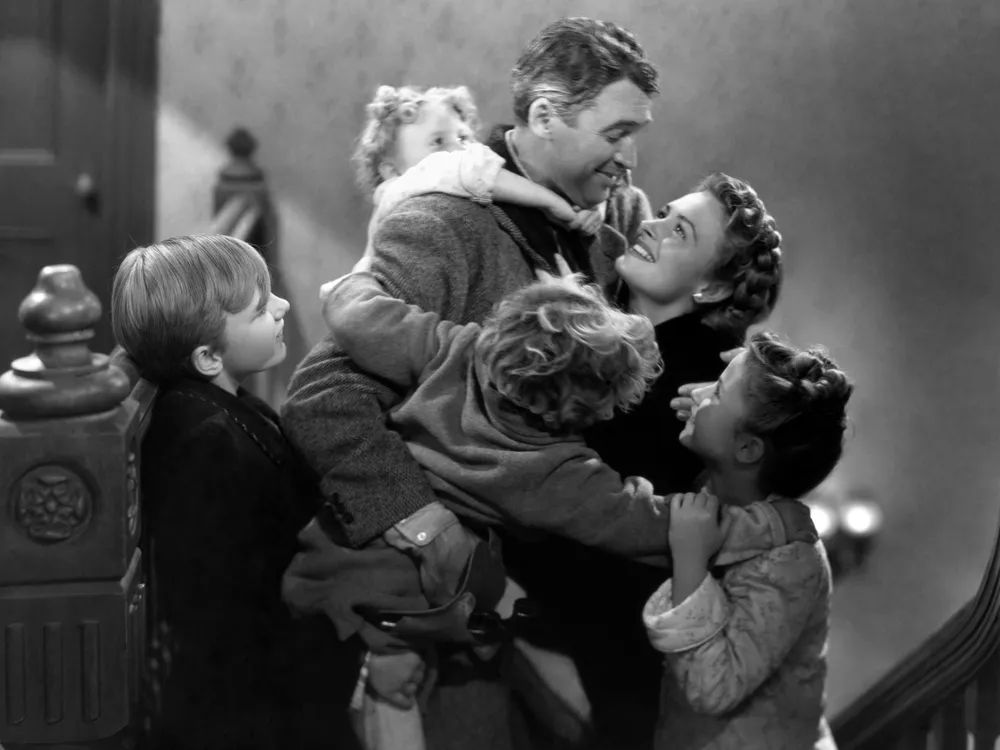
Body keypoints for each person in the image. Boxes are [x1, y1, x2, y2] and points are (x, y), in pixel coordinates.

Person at [281, 17, 808, 749]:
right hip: (454, 597)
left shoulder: (620, 214)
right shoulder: (442, 223)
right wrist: (427, 528)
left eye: (638, 133)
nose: (632, 159)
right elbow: (321, 398)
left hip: (578, 588)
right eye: (617, 133)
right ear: (544, 115)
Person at [509, 172, 788, 747]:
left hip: (619, 656)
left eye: (679, 231)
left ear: (709, 289)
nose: (652, 227)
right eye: (662, 212)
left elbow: (578, 496)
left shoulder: (703, 383)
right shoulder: (604, 315)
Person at [110, 235, 360, 749]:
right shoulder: (202, 442)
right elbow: (216, 610)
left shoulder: (226, 404)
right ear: (206, 356)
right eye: (260, 307)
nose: (284, 304)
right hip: (258, 701)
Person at [644, 331, 851, 749]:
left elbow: (714, 687)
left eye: (716, 391)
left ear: (748, 448)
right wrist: (713, 414)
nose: (696, 393)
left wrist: (690, 564)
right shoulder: (717, 488)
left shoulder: (793, 562)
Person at [352, 84, 604, 256]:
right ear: (392, 171)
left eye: (463, 137)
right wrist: (559, 207)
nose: (457, 150)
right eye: (437, 142)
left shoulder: (399, 196)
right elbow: (490, 177)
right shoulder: (416, 185)